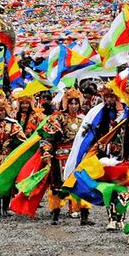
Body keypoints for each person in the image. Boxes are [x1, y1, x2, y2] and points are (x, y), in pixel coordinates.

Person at [40, 88, 93, 225]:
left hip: (79, 157)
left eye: (76, 103)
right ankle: (55, 215)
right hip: (60, 156)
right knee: (58, 186)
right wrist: (46, 151)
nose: (74, 106)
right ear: (66, 104)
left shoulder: (84, 119)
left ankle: (84, 216)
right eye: (71, 103)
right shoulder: (57, 118)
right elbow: (47, 138)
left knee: (83, 184)